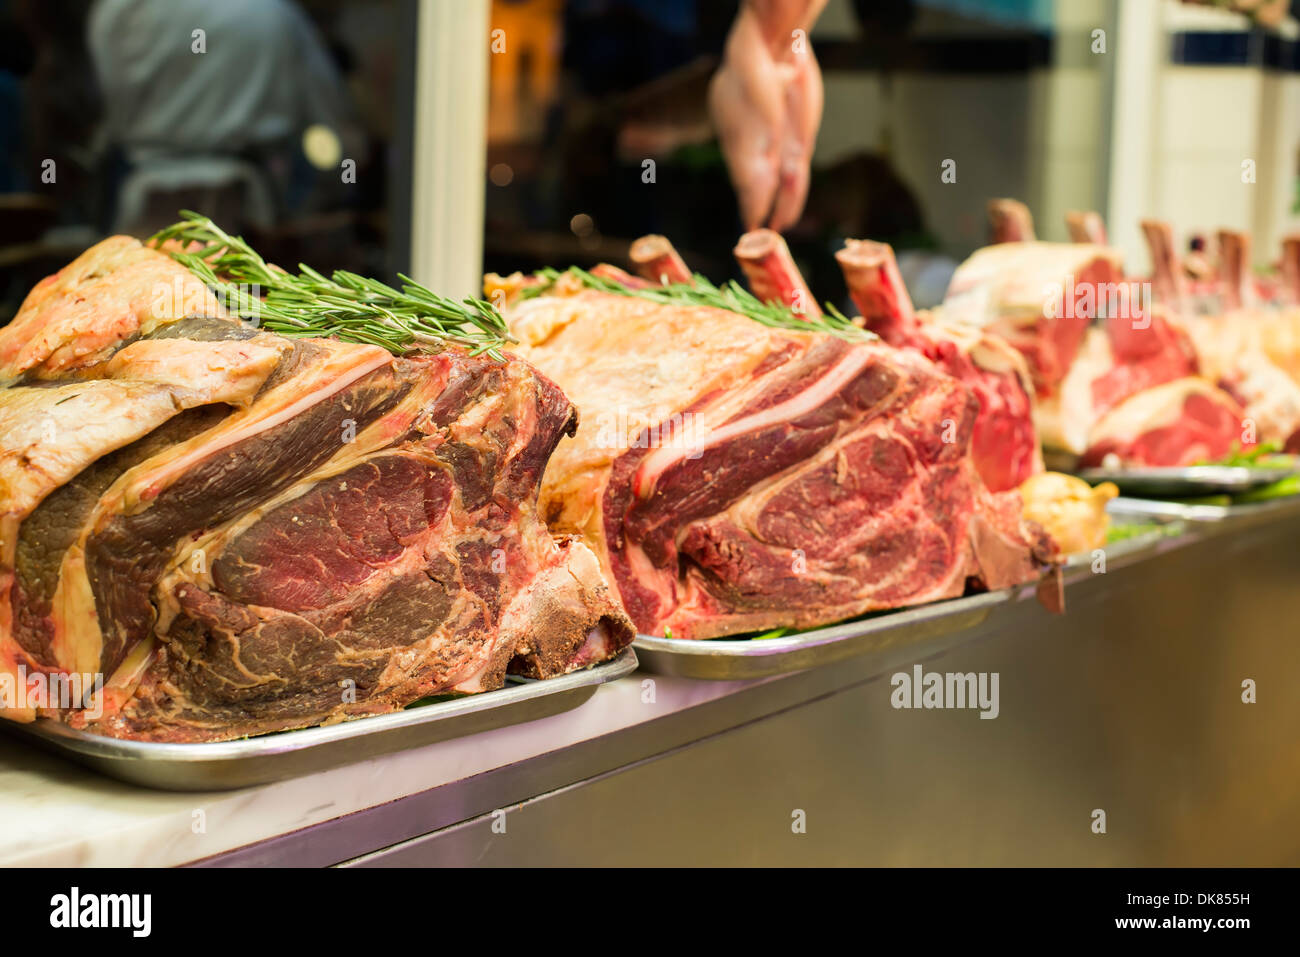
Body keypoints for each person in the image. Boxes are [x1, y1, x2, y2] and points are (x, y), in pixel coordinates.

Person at [709, 0, 827, 232]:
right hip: (763, 45)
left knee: (796, 164)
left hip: (795, 43)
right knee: (759, 184)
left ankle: (761, 241)